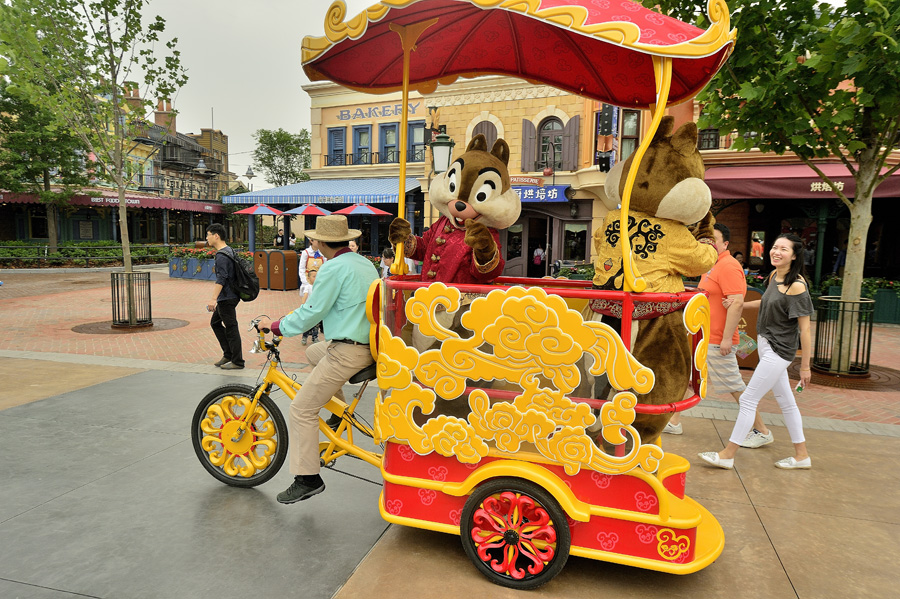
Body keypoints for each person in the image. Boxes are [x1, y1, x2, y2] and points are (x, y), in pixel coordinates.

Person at [258, 215, 379, 503]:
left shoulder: (333, 268)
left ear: (321, 242)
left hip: (348, 351)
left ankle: (307, 478)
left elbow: (312, 312)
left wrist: (276, 326)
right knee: (313, 351)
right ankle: (338, 415)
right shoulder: (363, 263)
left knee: (301, 410)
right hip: (366, 346)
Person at [699, 233, 813, 471]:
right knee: (787, 403)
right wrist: (741, 305)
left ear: (794, 255)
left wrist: (805, 366)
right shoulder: (774, 276)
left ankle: (728, 454)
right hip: (765, 345)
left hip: (779, 352)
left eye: (784, 249)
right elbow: (768, 301)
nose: (776, 251)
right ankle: (802, 456)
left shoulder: (797, 286)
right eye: (774, 247)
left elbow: (805, 329)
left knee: (749, 399)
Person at [665, 224, 770, 445]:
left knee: (734, 386)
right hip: (704, 336)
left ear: (725, 244)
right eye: (706, 239)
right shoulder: (712, 265)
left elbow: (737, 303)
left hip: (716, 339)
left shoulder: (729, 266)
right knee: (688, 379)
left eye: (714, 239)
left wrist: (725, 339)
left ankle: (761, 431)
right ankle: (674, 422)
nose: (709, 243)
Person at [206, 223, 244, 370]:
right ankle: (228, 354)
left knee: (231, 327)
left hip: (226, 297)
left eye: (208, 235)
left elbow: (221, 278)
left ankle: (237, 360)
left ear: (216, 236)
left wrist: (213, 299)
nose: (207, 238)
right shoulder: (229, 250)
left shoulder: (222, 255)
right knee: (215, 323)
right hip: (231, 295)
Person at [299, 265, 320, 345]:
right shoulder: (308, 287)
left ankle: (315, 337)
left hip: (316, 308)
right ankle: (304, 337)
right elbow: (305, 296)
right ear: (308, 278)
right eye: (314, 276)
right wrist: (303, 305)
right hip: (308, 308)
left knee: (316, 324)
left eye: (317, 276)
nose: (316, 278)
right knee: (307, 324)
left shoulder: (319, 287)